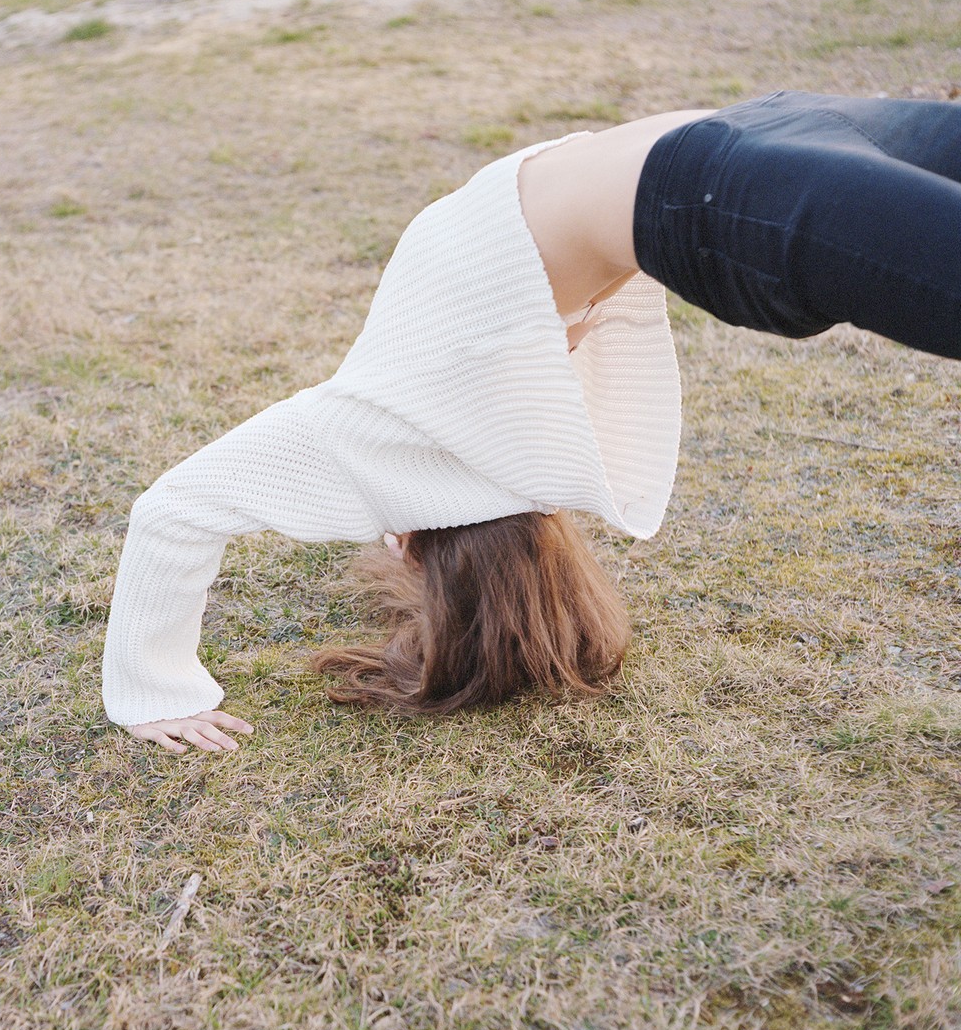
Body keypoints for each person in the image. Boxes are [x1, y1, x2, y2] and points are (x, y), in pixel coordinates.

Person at [102, 90, 961, 754]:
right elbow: (171, 512)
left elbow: (172, 518)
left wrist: (163, 681)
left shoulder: (493, 418)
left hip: (749, 155)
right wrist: (153, 691)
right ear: (411, 538)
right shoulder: (371, 426)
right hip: (742, 164)